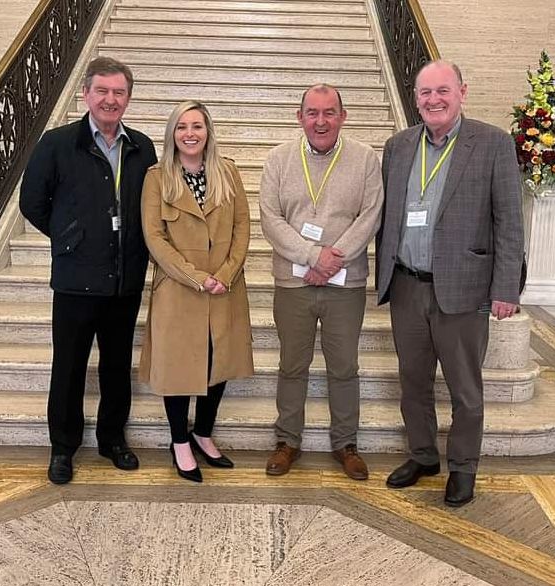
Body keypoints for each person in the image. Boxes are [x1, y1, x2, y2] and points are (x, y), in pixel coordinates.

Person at [376, 60, 524, 506]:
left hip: (465, 287)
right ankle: (422, 455)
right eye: (425, 93)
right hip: (407, 286)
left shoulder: (493, 143)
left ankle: (463, 466)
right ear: (415, 98)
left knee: (465, 388)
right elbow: (389, 216)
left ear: (462, 91)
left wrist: (506, 288)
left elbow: (509, 222)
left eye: (442, 90)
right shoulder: (398, 146)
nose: (433, 100)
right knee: (413, 381)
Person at [20, 57, 157, 485]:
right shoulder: (57, 143)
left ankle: (113, 440)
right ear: (86, 94)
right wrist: (69, 238)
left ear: (128, 98)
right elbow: (32, 203)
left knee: (117, 366)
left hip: (124, 280)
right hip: (76, 280)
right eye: (103, 91)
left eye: (119, 92)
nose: (110, 99)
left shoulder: (142, 146)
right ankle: (63, 447)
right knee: (70, 366)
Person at [260, 84, 383, 480]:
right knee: (291, 365)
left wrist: (332, 260)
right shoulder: (278, 159)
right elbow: (270, 219)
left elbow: (370, 215)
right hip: (293, 283)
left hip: (345, 285)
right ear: (300, 117)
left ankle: (346, 443)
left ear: (343, 117)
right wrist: (313, 257)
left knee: (344, 366)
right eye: (312, 113)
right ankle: (287, 441)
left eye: (329, 112)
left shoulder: (365, 159)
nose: (321, 121)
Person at [140, 100, 254, 482]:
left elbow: (242, 227)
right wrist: (195, 277)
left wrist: (226, 272)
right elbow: (154, 238)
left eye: (197, 126)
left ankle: (203, 433)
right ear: (172, 133)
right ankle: (180, 442)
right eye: (182, 126)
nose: (190, 133)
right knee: (178, 367)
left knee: (216, 362)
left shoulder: (228, 173)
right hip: (179, 288)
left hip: (225, 287)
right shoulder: (157, 177)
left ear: (208, 132)